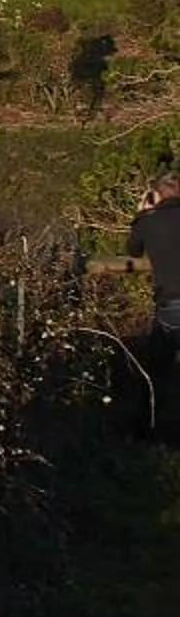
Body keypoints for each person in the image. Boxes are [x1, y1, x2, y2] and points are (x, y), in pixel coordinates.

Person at [127, 176, 180, 439]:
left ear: (155, 196)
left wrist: (141, 215)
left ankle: (149, 430)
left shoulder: (149, 222)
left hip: (170, 305)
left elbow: (134, 251)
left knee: (156, 371)